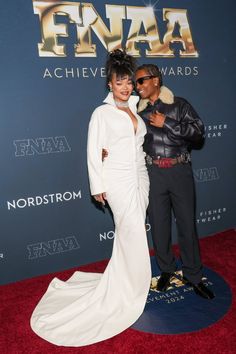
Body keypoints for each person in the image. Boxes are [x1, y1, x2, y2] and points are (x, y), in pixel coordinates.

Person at [30, 50, 151, 347]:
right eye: (119, 82)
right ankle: (131, 290)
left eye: (128, 82)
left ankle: (128, 281)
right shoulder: (102, 113)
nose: (125, 87)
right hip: (117, 180)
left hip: (140, 175)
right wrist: (97, 184)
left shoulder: (135, 109)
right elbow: (93, 149)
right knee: (131, 231)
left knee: (130, 233)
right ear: (109, 84)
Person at [135, 64, 214, 299]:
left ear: (156, 80)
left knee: (187, 226)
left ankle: (193, 276)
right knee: (159, 226)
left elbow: (198, 133)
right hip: (153, 173)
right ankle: (167, 270)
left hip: (179, 171)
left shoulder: (179, 104)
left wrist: (167, 123)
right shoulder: (138, 113)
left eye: (141, 81)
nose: (137, 86)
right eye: (135, 82)